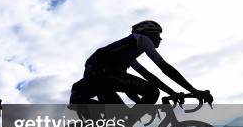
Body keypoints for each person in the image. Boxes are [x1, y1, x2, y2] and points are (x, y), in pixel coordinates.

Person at [70, 20, 213, 109]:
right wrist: (194, 91)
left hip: (97, 77)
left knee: (119, 119)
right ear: (148, 33)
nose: (161, 39)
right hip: (102, 74)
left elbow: (146, 77)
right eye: (157, 35)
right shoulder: (142, 39)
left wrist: (172, 93)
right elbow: (164, 68)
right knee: (152, 91)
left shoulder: (127, 52)